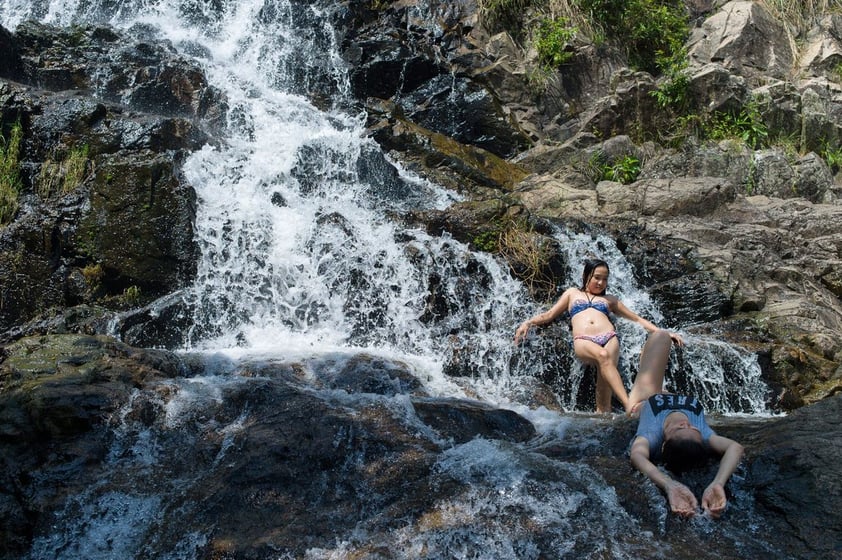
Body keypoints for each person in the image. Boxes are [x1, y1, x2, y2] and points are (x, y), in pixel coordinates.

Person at [513, 258, 683, 413]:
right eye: (597, 277)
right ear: (586, 275)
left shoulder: (610, 300)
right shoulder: (572, 294)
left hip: (609, 337)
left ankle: (605, 418)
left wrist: (663, 332)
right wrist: (528, 322)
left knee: (604, 400)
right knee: (603, 356)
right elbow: (549, 315)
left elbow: (637, 318)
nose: (601, 283)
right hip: (583, 340)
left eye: (605, 279)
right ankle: (630, 406)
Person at [628, 330, 745, 518]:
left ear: (664, 442)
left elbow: (637, 456)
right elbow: (735, 447)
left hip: (643, 399)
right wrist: (718, 483)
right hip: (664, 392)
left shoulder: (652, 434)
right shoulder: (704, 436)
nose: (686, 423)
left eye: (680, 428)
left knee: (661, 336)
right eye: (692, 427)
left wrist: (669, 484)